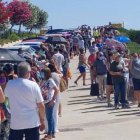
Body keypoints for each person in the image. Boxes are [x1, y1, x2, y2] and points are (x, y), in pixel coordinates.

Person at [5, 62, 45, 140]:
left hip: (16, 122)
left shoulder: (10, 84)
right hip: (32, 122)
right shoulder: (33, 85)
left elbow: (6, 99)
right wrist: (42, 120)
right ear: (28, 72)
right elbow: (41, 105)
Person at [40, 68, 58, 140]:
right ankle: (52, 132)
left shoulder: (50, 80)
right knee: (50, 118)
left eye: (42, 73)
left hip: (49, 101)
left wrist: (52, 99)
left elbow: (56, 90)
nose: (41, 74)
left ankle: (49, 134)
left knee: (49, 118)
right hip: (45, 101)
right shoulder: (43, 80)